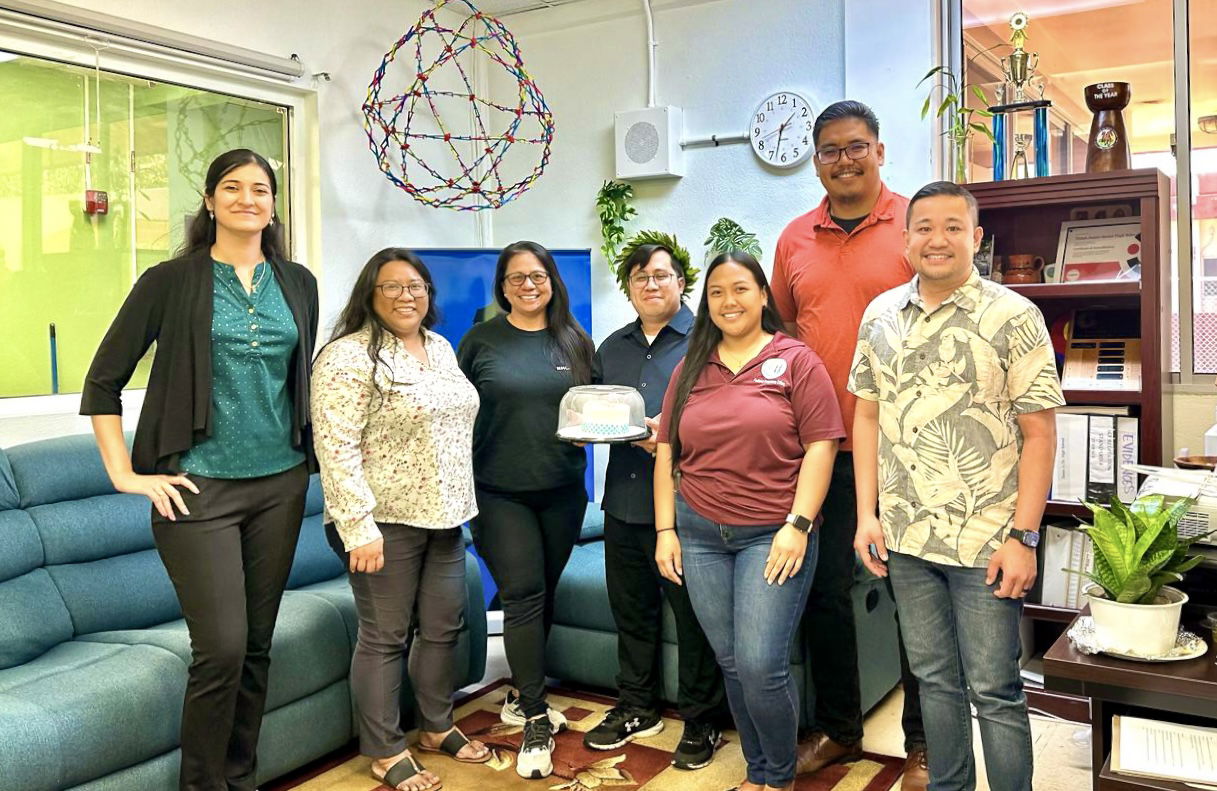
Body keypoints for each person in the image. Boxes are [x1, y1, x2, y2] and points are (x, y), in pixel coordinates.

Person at [80, 149, 317, 791]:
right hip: (197, 490)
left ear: (272, 205)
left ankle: (239, 779)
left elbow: (299, 385)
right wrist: (127, 475)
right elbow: (103, 382)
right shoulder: (170, 281)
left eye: (260, 189)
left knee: (258, 647)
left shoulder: (298, 283)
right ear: (209, 201)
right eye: (232, 188)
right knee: (222, 648)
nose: (248, 198)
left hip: (282, 484)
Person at [849, 181, 1062, 791]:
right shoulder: (880, 315)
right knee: (934, 679)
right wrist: (867, 514)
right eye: (923, 226)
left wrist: (1024, 536)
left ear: (976, 237)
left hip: (987, 543)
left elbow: (1040, 434)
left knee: (995, 688)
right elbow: (867, 416)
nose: (936, 239)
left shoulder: (1014, 316)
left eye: (951, 226)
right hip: (906, 539)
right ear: (905, 236)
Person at [769, 99, 928, 787]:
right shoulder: (792, 238)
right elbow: (777, 338)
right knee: (823, 593)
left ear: (879, 150)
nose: (843, 160)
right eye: (830, 150)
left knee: (912, 595)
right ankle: (838, 727)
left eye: (855, 146)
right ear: (815, 160)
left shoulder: (912, 226)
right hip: (822, 449)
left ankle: (922, 743)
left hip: (909, 446)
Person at [655, 251, 844, 791]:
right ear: (706, 302)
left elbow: (822, 446)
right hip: (698, 532)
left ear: (763, 295)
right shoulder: (693, 364)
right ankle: (759, 771)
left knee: (761, 663)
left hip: (772, 532)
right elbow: (667, 448)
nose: (728, 301)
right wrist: (666, 530)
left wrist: (799, 524)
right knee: (731, 662)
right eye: (716, 292)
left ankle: (778, 777)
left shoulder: (795, 360)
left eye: (740, 289)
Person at [312, 248, 490, 791]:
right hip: (382, 522)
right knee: (385, 635)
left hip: (445, 516)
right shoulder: (348, 357)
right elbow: (335, 446)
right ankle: (386, 750)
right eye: (391, 287)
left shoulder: (438, 347)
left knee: (443, 628)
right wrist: (357, 526)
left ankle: (435, 726)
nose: (406, 296)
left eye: (416, 286)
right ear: (370, 294)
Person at [583, 240, 729, 768]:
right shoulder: (613, 346)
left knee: (694, 619)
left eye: (662, 276)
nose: (651, 285)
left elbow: (725, 418)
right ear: (629, 287)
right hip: (623, 503)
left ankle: (702, 719)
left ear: (681, 283)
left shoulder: (707, 342)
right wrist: (587, 428)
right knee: (633, 613)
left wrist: (667, 437)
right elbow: (598, 408)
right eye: (640, 277)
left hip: (689, 508)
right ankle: (636, 705)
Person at [456, 240, 595, 780]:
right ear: (502, 285)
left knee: (543, 591)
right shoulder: (479, 341)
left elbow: (596, 406)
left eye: (537, 276)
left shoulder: (574, 341)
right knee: (523, 594)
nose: (528, 285)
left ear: (552, 281)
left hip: (562, 491)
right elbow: (451, 412)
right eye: (516, 278)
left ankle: (519, 695)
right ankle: (536, 716)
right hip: (497, 492)